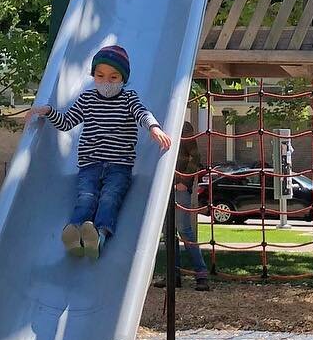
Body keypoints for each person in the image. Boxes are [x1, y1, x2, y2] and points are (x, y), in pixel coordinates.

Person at [26, 43, 169, 258]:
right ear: (93, 76)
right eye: (100, 76)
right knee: (86, 196)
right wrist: (48, 111)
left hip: (119, 164)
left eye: (113, 77)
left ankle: (99, 235)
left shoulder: (128, 98)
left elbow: (142, 113)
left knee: (110, 197)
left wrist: (154, 127)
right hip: (90, 163)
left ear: (123, 79)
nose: (105, 82)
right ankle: (75, 231)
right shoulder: (87, 99)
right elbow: (66, 122)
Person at [172, 114, 211, 290]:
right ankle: (173, 274)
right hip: (165, 187)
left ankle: (201, 273)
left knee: (184, 229)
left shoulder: (183, 126)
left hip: (179, 186)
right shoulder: (157, 126)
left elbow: (195, 157)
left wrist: (185, 181)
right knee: (168, 231)